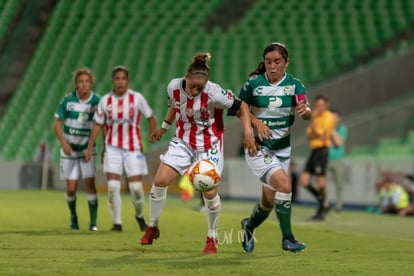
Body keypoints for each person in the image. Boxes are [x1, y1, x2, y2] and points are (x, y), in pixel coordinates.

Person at [139, 52, 256, 254]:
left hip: (209, 145)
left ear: (206, 83)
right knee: (159, 181)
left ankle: (212, 237)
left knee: (209, 192)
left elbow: (242, 106)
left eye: (200, 88)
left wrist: (249, 132)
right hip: (183, 141)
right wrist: (164, 128)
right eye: (193, 86)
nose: (195, 91)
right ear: (186, 77)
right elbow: (174, 108)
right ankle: (153, 226)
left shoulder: (214, 93)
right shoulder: (173, 87)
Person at [238, 42, 311, 254]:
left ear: (286, 63)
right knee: (285, 185)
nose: (273, 66)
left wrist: (305, 112)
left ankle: (248, 226)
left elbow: (306, 110)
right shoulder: (253, 84)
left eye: (277, 62)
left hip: (283, 150)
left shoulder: (295, 85)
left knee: (269, 200)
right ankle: (288, 238)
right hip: (259, 148)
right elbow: (241, 107)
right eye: (269, 62)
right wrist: (252, 129)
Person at [86, 66, 156, 232]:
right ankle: (117, 222)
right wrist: (90, 147)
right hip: (112, 148)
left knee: (136, 189)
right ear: (113, 81)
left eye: (123, 78)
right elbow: (98, 124)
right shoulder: (105, 101)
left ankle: (139, 215)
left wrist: (153, 133)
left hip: (133, 148)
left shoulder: (137, 98)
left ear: (128, 81)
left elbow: (150, 117)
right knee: (113, 187)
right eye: (117, 78)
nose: (120, 82)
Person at [53, 67, 100, 231]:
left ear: (91, 83)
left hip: (87, 150)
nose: (84, 84)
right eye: (80, 81)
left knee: (90, 185)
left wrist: (92, 146)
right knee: (71, 189)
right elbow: (56, 125)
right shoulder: (68, 100)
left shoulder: (97, 101)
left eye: (87, 81)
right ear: (76, 84)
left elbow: (100, 126)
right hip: (70, 150)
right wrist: (64, 143)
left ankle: (93, 223)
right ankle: (73, 216)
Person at [300, 95, 335, 221]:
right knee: (304, 181)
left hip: (322, 150)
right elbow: (309, 136)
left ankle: (321, 210)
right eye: (317, 105)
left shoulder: (328, 117)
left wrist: (313, 119)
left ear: (326, 105)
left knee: (320, 181)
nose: (319, 108)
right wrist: (314, 130)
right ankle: (324, 202)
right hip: (314, 150)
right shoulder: (317, 118)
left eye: (321, 105)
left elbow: (319, 135)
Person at [327, 109, 348, 213]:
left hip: (338, 160)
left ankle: (338, 207)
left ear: (339, 119)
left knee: (339, 185)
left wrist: (332, 131)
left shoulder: (342, 129)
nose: (333, 119)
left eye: (335, 117)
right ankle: (324, 205)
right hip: (325, 159)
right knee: (322, 184)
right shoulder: (324, 127)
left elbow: (339, 143)